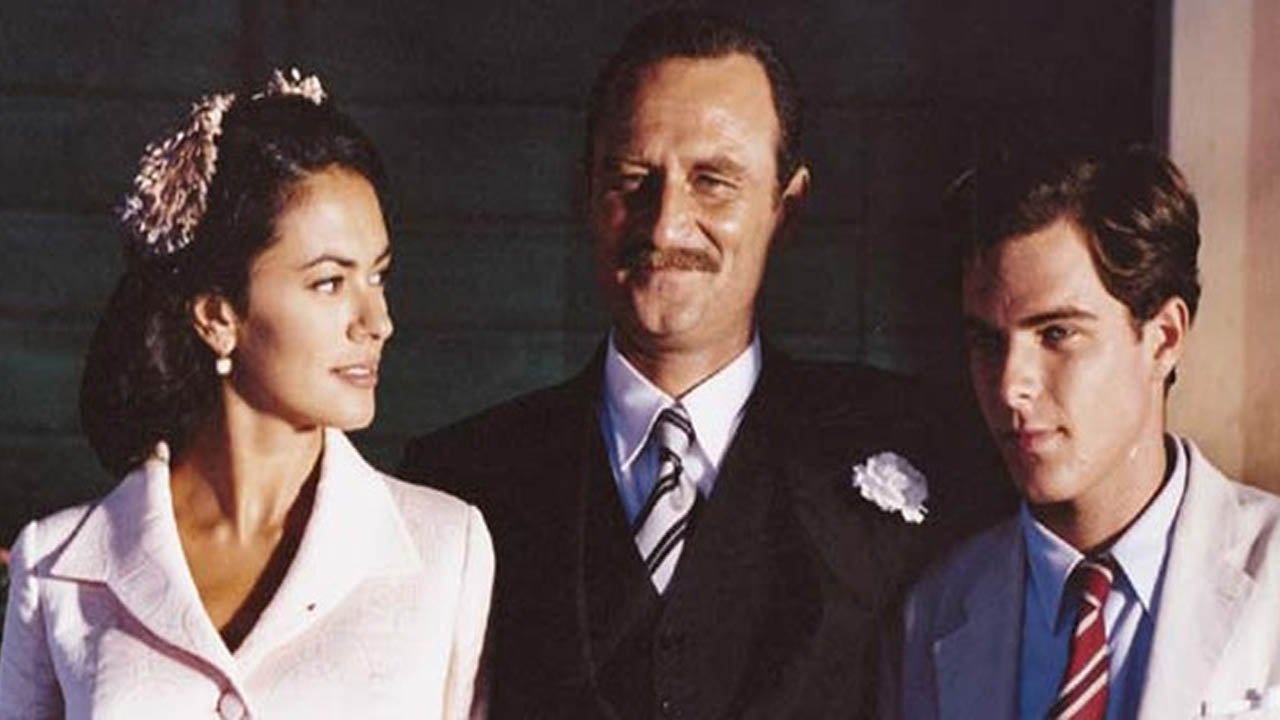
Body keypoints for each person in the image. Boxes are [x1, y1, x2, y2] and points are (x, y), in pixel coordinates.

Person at [401, 10, 941, 719]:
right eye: (632, 179)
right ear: (586, 194)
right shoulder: (459, 483)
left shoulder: (910, 440)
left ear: (786, 208)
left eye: (713, 181)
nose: (664, 226)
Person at [0, 70, 493, 719]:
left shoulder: (446, 549)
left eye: (377, 276)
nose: (377, 322)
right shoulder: (58, 565)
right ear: (217, 317)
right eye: (329, 283)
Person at [891, 146, 1280, 719]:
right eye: (987, 342)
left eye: (1056, 334)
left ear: (1164, 339)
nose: (1010, 386)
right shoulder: (936, 612)